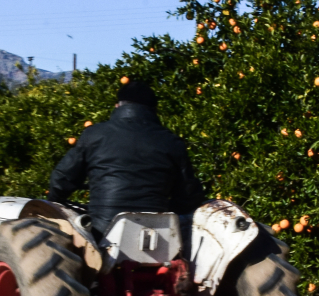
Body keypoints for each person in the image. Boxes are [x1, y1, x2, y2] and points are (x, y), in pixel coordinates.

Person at [48, 81, 205, 236]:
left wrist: (55, 201)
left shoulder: (94, 135)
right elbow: (188, 195)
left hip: (101, 233)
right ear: (153, 110)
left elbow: (61, 180)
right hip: (157, 237)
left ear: (117, 106)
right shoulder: (172, 142)